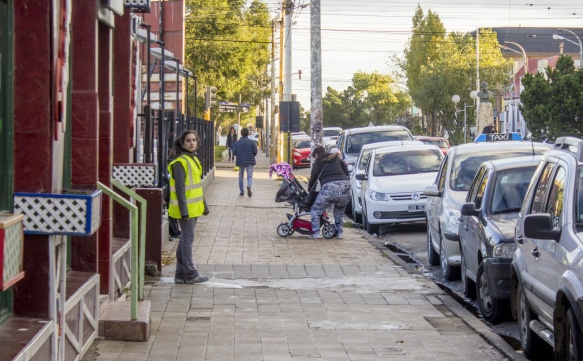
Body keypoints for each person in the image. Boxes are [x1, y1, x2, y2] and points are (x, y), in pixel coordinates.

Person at [167, 130, 208, 284]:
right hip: (184, 209)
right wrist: (184, 211)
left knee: (185, 238)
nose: (192, 143)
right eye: (188, 140)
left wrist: (204, 205)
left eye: (194, 140)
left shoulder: (193, 159)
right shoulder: (180, 162)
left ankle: (180, 273)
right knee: (187, 239)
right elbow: (180, 189)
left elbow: (197, 184)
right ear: (182, 143)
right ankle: (190, 273)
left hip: (193, 207)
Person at [308, 146, 351, 239]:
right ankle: (339, 233)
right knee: (339, 210)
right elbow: (346, 171)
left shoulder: (317, 163)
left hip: (330, 188)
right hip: (345, 186)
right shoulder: (336, 157)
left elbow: (313, 180)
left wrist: (310, 192)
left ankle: (316, 233)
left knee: (315, 210)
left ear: (316, 154)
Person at [232, 127, 257, 197]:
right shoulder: (252, 142)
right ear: (248, 134)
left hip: (241, 161)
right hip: (250, 160)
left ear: (241, 134)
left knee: (240, 176)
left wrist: (239, 154)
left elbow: (234, 152)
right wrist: (252, 155)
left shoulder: (237, 143)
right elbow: (255, 151)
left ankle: (242, 191)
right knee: (249, 176)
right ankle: (249, 186)